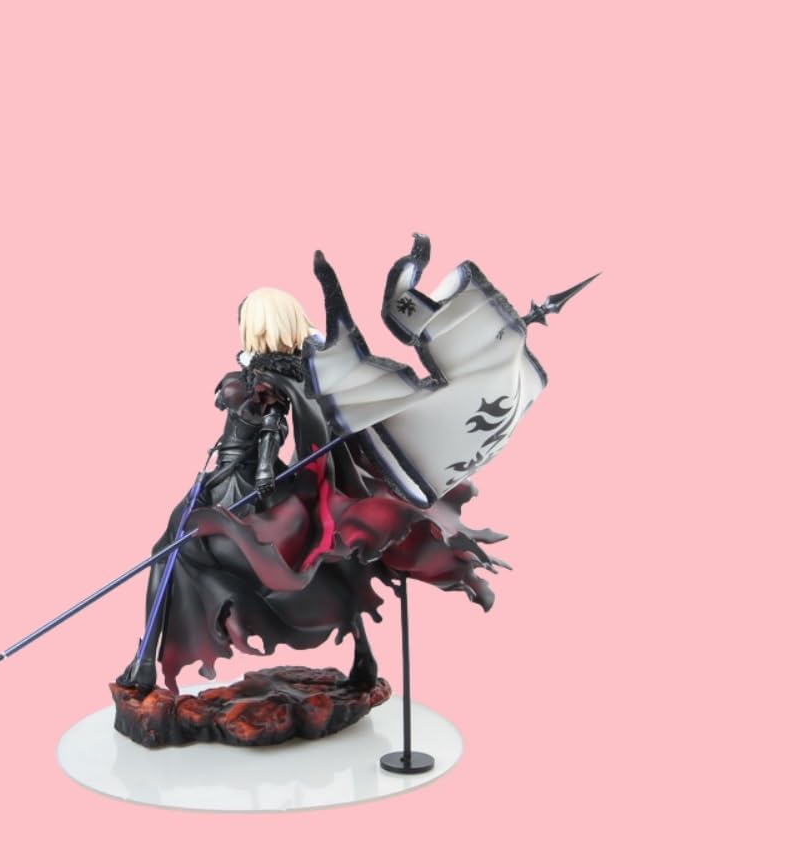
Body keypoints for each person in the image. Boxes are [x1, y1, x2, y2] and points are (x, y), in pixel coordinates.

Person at [117, 279, 509, 695]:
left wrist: (263, 474)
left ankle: (144, 662)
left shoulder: (264, 378)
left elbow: (272, 427)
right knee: (321, 563)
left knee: (166, 550)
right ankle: (362, 653)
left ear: (260, 325)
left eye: (247, 321)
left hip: (237, 480)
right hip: (241, 475)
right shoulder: (303, 374)